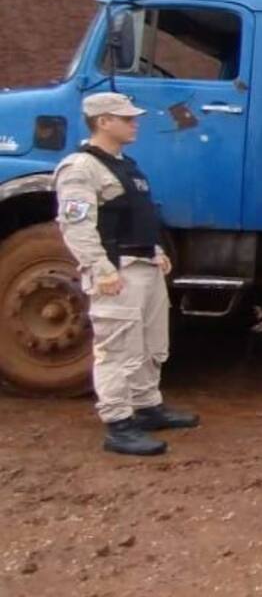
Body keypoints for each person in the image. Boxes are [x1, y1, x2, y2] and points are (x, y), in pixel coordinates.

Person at [54, 92, 199, 456]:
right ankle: (119, 424)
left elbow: (137, 217)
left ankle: (148, 407)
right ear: (103, 122)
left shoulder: (126, 165)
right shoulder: (80, 168)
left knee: (150, 344)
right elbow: (77, 225)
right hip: (117, 272)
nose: (135, 123)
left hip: (144, 267)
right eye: (127, 118)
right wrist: (100, 269)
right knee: (117, 349)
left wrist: (156, 251)